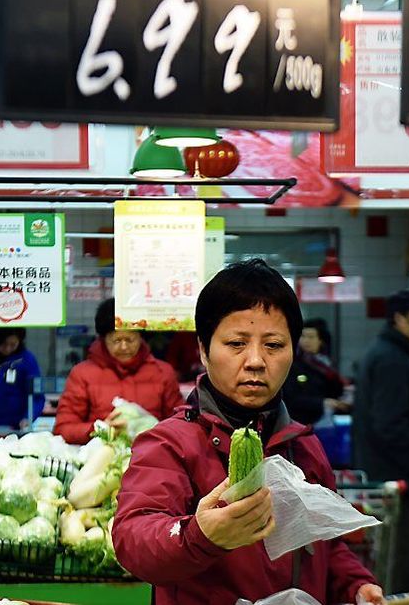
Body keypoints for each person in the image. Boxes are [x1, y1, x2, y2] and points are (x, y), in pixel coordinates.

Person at [112, 259, 384, 605]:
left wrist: (355, 584)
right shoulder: (170, 443)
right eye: (236, 343)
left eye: (273, 345)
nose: (255, 360)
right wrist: (199, 536)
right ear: (203, 350)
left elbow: (325, 546)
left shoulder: (303, 445)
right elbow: (132, 540)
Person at [352, 288, 409, 595]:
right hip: (396, 483)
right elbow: (390, 425)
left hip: (389, 478)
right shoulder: (392, 361)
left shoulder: (390, 354)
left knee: (395, 565)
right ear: (399, 319)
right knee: (402, 568)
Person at [53, 298, 182, 445]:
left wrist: (149, 429)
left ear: (141, 337)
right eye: (116, 340)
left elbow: (180, 424)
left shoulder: (162, 372)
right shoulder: (82, 374)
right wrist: (98, 428)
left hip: (152, 459)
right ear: (103, 339)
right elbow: (63, 429)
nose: (124, 347)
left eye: (130, 340)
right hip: (101, 459)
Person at [283, 318, 347, 425]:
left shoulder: (326, 364)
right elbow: (291, 398)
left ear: (320, 340)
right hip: (300, 421)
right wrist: (322, 403)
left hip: (325, 420)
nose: (306, 341)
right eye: (303, 336)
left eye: (311, 337)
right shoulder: (293, 364)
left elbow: (334, 390)